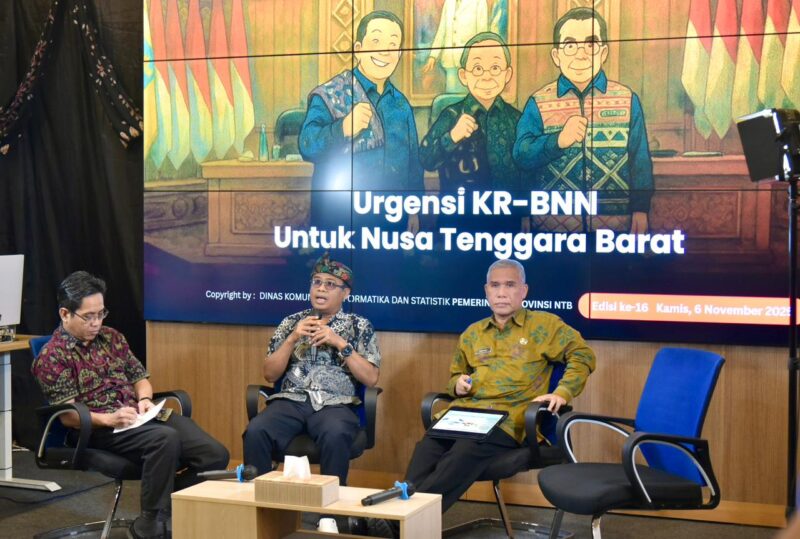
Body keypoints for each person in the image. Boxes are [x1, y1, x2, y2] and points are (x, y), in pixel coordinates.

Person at [32, 271, 229, 539]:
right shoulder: (52, 356)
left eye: (101, 314)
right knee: (164, 439)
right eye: (88, 316)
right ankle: (150, 523)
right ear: (65, 314)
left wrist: (145, 399)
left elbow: (140, 379)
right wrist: (110, 418)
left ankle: (165, 509)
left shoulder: (112, 337)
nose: (96, 323)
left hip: (137, 416)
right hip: (97, 428)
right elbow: (69, 416)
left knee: (214, 454)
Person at [403, 258, 596, 514]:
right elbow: (455, 376)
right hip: (463, 414)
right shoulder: (473, 333)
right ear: (486, 291)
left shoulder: (545, 325)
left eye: (510, 285)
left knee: (464, 451)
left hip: (509, 418)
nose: (501, 293)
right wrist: (457, 385)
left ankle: (406, 520)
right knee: (427, 448)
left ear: (524, 291)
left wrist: (563, 392)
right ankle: (400, 516)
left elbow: (583, 355)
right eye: (495, 285)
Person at [243, 253, 381, 487]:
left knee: (335, 433)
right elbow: (269, 374)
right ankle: (260, 502)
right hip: (291, 401)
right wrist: (292, 338)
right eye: (317, 282)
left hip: (335, 403)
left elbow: (370, 378)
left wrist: (340, 343)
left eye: (330, 284)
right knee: (257, 430)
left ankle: (331, 506)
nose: (321, 289)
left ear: (346, 293)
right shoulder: (291, 322)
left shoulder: (359, 326)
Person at [513, 7, 654, 234]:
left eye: (591, 44)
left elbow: (640, 161)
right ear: (556, 56)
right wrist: (558, 141)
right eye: (570, 45)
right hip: (552, 231)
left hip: (615, 230)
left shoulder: (628, 100)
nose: (581, 55)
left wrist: (641, 209)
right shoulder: (537, 102)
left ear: (604, 52)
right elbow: (521, 156)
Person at [299, 10, 423, 233]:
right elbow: (307, 145)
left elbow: (413, 163)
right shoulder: (331, 94)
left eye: (393, 45)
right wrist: (343, 128)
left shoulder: (401, 104)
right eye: (376, 41)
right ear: (358, 48)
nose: (385, 51)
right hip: (341, 221)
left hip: (392, 222)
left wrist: (414, 210)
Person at [420, 32, 524, 233]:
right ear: (463, 75)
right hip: (459, 224)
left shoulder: (516, 119)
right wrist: (452, 137)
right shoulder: (450, 115)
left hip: (506, 224)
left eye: (495, 68)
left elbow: (525, 171)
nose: (487, 76)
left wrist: (525, 214)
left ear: (507, 74)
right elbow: (426, 160)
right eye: (477, 68)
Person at [422, 0, 489, 93]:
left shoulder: (479, 2)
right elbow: (442, 31)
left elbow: (482, 35)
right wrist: (433, 56)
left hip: (469, 63)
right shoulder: (449, 2)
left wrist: (480, 59)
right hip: (450, 61)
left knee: (467, 96)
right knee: (451, 95)